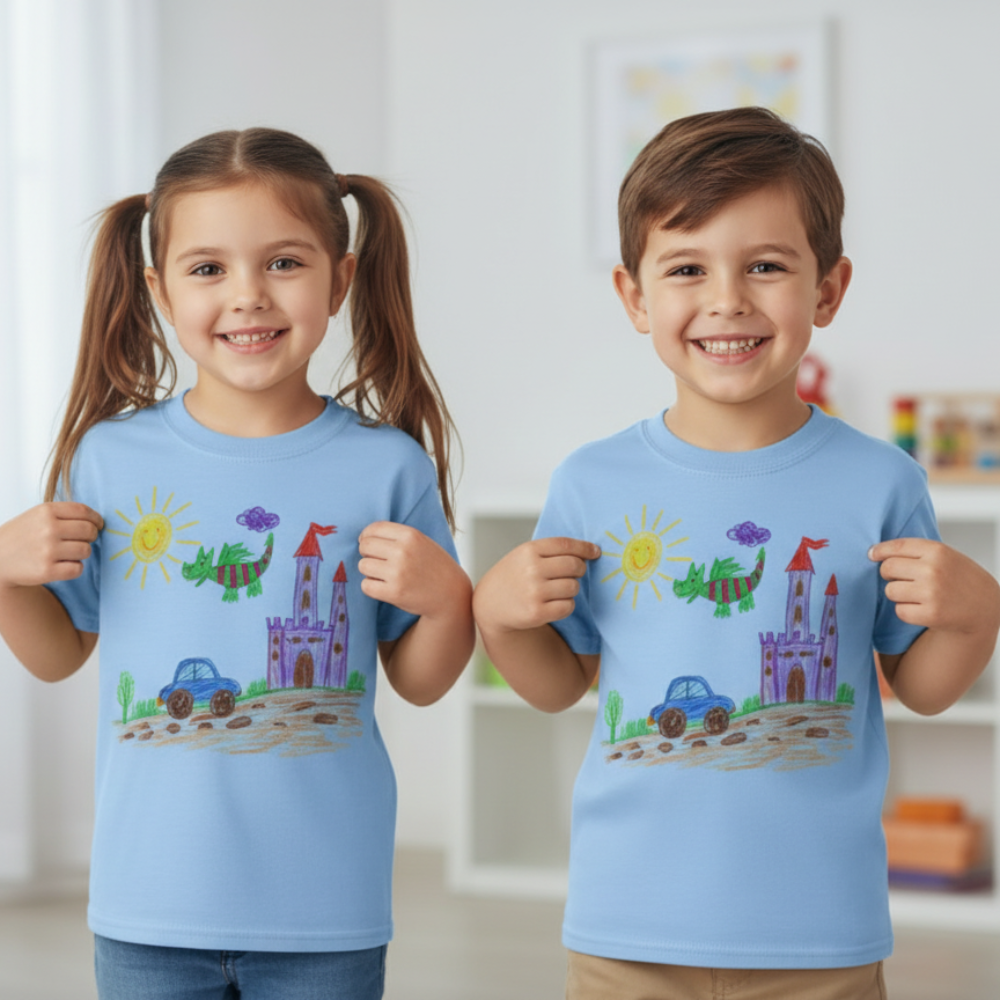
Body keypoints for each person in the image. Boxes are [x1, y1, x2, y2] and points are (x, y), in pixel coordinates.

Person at [473, 107, 1000, 1000]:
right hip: (625, 930)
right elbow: (561, 685)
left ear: (828, 289)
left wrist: (978, 612)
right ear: (635, 296)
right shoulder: (591, 482)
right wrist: (497, 614)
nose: (728, 300)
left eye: (766, 265)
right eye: (686, 269)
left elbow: (923, 687)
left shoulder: (882, 482)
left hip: (822, 937)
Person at [0, 127, 474, 1000]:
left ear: (342, 276)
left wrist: (449, 604)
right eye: (208, 268)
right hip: (148, 904)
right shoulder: (108, 459)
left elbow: (420, 680)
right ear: (158, 290)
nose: (248, 297)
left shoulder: (386, 466)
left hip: (325, 905)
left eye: (285, 262)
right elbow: (60, 650)